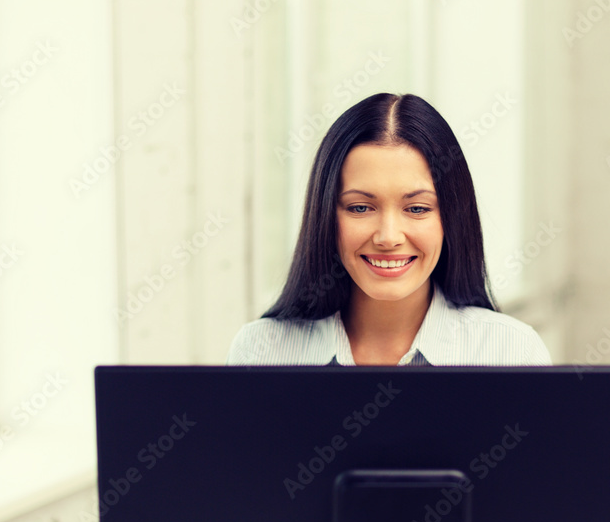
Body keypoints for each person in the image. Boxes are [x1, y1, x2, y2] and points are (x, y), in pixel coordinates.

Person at [226, 93, 551, 366]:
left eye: (417, 209)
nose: (389, 237)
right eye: (360, 208)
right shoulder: (261, 351)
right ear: (326, 216)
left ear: (450, 218)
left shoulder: (510, 352)